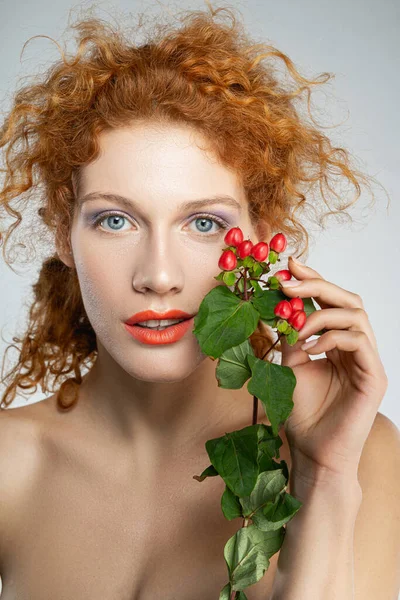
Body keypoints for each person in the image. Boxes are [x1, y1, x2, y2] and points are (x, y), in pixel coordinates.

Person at [0, 3, 399, 600]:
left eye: (205, 224)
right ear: (63, 230)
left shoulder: (364, 456)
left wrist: (326, 480)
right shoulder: (10, 464)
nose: (158, 276)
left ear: (260, 238)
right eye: (115, 219)